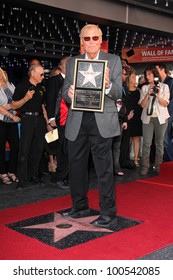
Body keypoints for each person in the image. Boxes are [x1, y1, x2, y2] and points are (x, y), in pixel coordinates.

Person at [61, 24, 122, 228]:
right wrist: (68, 95)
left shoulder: (112, 60)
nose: (91, 42)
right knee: (76, 166)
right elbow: (64, 91)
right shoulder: (72, 63)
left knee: (104, 169)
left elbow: (118, 93)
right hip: (78, 120)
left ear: (101, 39)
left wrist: (108, 86)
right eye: (87, 39)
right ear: (81, 41)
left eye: (95, 38)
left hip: (102, 121)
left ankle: (108, 213)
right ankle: (79, 206)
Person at [11, 64, 47, 189]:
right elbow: (14, 105)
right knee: (24, 150)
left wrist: (47, 122)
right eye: (41, 74)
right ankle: (22, 179)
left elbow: (43, 106)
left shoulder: (42, 87)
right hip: (27, 119)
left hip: (40, 119)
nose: (43, 76)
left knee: (38, 149)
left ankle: (34, 176)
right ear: (32, 73)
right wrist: (26, 98)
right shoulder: (22, 86)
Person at [139, 65, 170, 175]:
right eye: (146, 75)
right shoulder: (144, 88)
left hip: (161, 118)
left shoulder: (164, 86)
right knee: (146, 143)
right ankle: (145, 166)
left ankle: (158, 166)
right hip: (147, 119)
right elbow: (142, 105)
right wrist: (148, 94)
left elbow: (165, 103)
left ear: (154, 75)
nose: (147, 77)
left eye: (149, 74)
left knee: (159, 143)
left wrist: (157, 94)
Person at [46, 56, 70, 189]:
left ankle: (64, 176)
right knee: (61, 150)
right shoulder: (54, 80)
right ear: (61, 66)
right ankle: (59, 177)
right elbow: (50, 100)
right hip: (60, 120)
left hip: (71, 120)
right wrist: (51, 119)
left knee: (68, 150)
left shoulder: (73, 80)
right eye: (67, 64)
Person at [0, 67, 20, 184]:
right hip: (1, 120)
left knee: (15, 146)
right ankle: (3, 173)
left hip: (12, 121)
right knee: (1, 148)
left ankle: (12, 171)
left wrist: (12, 107)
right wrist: (11, 115)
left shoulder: (10, 85)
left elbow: (16, 101)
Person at [155, 63, 173, 162]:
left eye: (156, 69)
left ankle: (170, 160)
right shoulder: (159, 82)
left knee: (165, 137)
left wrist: (168, 114)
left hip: (168, 113)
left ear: (162, 70)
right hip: (160, 114)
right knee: (162, 138)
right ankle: (166, 160)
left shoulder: (171, 81)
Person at [126, 69, 142, 167]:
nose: (134, 78)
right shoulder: (124, 90)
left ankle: (136, 158)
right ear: (128, 78)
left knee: (137, 138)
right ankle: (126, 158)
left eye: (135, 76)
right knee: (128, 138)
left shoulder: (139, 90)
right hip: (128, 116)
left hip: (137, 116)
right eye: (132, 76)